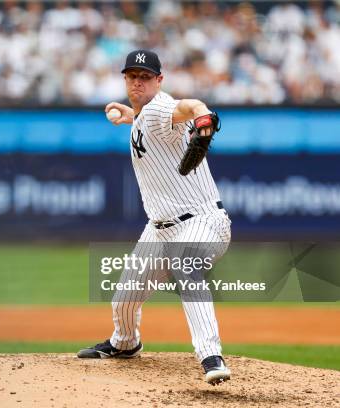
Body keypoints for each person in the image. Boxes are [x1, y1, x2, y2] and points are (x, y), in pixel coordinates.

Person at [76, 50, 232, 385]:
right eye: (132, 76)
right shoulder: (145, 115)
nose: (138, 82)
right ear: (125, 80)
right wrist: (128, 114)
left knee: (186, 265)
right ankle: (125, 343)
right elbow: (149, 121)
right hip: (160, 230)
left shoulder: (161, 107)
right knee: (124, 299)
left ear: (159, 81)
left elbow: (190, 107)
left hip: (201, 221)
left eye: (145, 77)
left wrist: (204, 116)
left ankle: (210, 356)